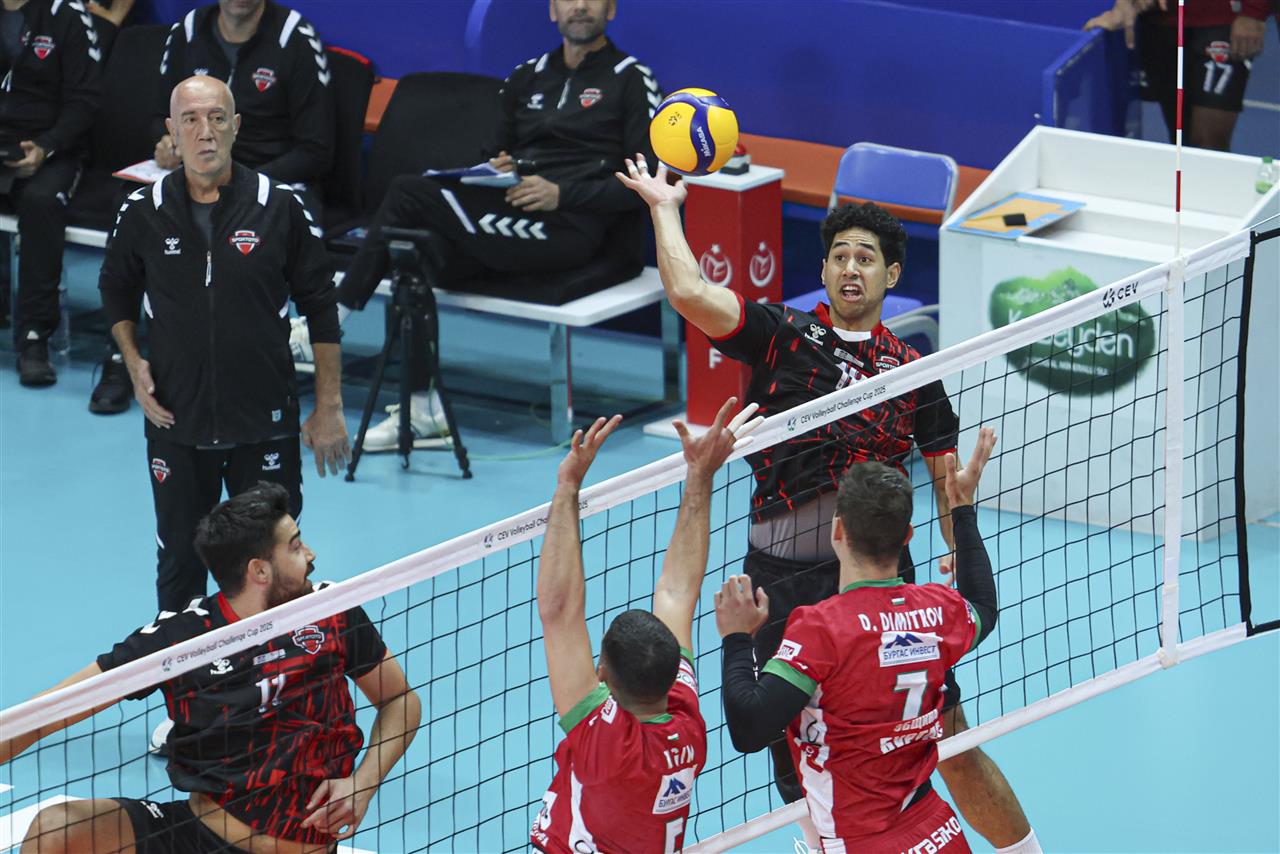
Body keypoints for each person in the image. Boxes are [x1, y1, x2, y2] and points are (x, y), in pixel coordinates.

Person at [617, 155, 1039, 851]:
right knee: (796, 763)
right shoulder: (784, 336)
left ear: (891, 275)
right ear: (823, 270)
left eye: (866, 258)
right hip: (780, 584)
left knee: (947, 741)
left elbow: (948, 482)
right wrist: (665, 210)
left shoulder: (916, 372)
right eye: (839, 255)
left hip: (881, 583)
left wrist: (954, 540)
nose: (850, 268)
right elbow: (689, 293)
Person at [292, 0, 661, 452]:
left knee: (408, 193)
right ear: (552, 11)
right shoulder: (528, 75)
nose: (580, 6)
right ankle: (423, 411)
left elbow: (645, 184)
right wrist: (497, 166)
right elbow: (492, 154)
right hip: (510, 218)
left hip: (571, 230)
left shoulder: (630, 79)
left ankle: (326, 326)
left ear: (612, 9)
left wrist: (563, 193)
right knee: (413, 252)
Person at [0, 482, 422, 853]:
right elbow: (46, 713)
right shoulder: (184, 638)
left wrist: (364, 783)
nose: (310, 555)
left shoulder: (331, 612)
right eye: (295, 546)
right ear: (259, 570)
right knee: (57, 830)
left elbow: (400, 700)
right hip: (198, 839)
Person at [98, 76, 350, 614]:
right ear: (172, 132)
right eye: (190, 120)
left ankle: (279, 663)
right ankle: (192, 670)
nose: (204, 132)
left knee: (275, 567)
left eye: (216, 118)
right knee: (179, 564)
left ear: (236, 127)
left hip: (264, 422)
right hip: (175, 421)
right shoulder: (142, 209)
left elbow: (322, 306)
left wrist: (328, 406)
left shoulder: (279, 207)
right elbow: (116, 288)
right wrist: (133, 360)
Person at [716, 432, 1001, 853]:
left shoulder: (821, 630)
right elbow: (984, 607)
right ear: (907, 535)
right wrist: (961, 507)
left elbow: (749, 727)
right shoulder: (938, 611)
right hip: (939, 833)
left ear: (838, 530)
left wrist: (736, 637)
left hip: (859, 843)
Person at [532, 397, 763, 853]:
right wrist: (700, 475)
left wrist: (568, 486)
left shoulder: (605, 742)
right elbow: (677, 591)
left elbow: (559, 610)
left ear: (602, 674)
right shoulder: (686, 722)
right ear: (673, 672)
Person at [90, 0, 334, 414]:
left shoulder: (295, 39)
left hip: (270, 176)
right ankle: (121, 359)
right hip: (195, 171)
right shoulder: (188, 31)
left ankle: (259, 365)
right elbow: (158, 117)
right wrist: (167, 144)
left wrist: (244, 182)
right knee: (130, 206)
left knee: (283, 221)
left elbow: (317, 149)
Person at [0, 0, 101, 387]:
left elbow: (86, 101)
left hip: (55, 147)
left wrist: (46, 145)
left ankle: (34, 338)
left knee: (41, 202)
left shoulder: (68, 14)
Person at [1084, 0, 1273, 151]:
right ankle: (1191, 188)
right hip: (1161, 21)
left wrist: (1253, 12)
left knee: (1208, 142)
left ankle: (1207, 184)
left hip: (1222, 20)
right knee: (1181, 138)